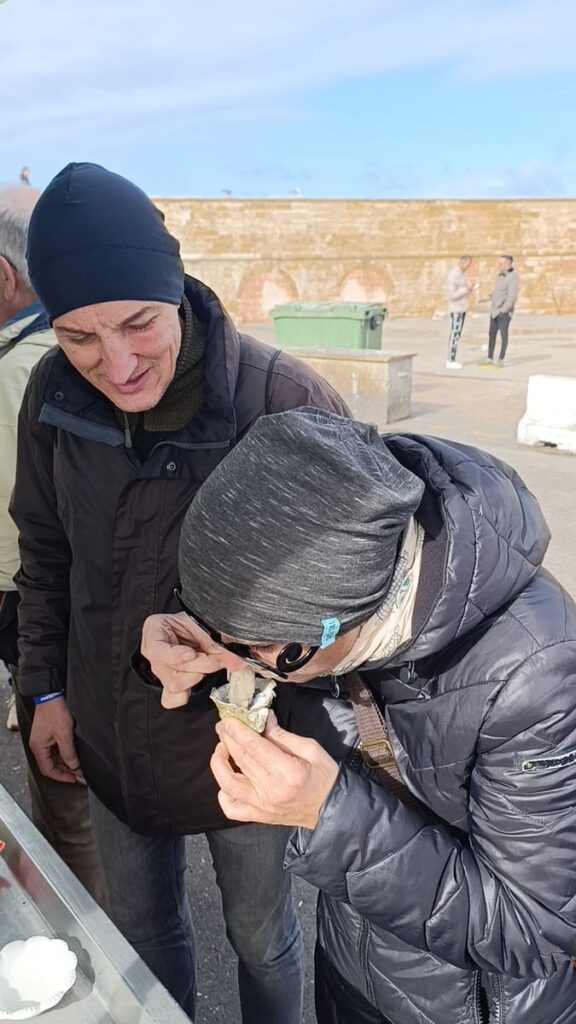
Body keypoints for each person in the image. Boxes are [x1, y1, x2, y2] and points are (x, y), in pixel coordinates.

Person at [11, 162, 348, 1023]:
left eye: (136, 324)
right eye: (79, 337)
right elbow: (45, 556)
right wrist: (42, 689)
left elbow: (358, 606)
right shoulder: (50, 395)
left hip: (249, 747)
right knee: (142, 934)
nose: (115, 364)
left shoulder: (283, 401)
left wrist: (244, 649)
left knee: (260, 936)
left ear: (177, 291)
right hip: (107, 726)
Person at [143, 408, 576, 1024]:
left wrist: (327, 814)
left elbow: (534, 928)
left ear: (347, 615)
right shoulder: (335, 597)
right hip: (351, 960)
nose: (251, 664)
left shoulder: (538, 675)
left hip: (468, 1005)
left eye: (265, 650)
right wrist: (196, 643)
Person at [0, 184, 107, 902]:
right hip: (68, 608)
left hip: (27, 604)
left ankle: (77, 965)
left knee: (65, 807)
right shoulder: (74, 358)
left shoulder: (24, 369)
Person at [484, 254, 519, 366]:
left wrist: (504, 310)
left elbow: (512, 296)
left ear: (508, 264)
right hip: (494, 311)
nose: (499, 266)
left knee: (503, 335)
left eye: (501, 263)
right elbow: (498, 292)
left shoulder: (513, 277)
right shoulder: (499, 276)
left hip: (503, 312)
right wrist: (489, 297)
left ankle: (501, 359)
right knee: (492, 334)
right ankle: (489, 358)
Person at [445, 254, 476, 369]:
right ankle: (450, 359)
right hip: (456, 308)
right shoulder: (453, 275)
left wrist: (469, 289)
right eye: (468, 264)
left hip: (462, 308)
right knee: (454, 333)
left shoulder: (462, 275)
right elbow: (451, 295)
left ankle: (452, 358)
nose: (468, 267)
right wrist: (466, 290)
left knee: (457, 334)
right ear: (462, 262)